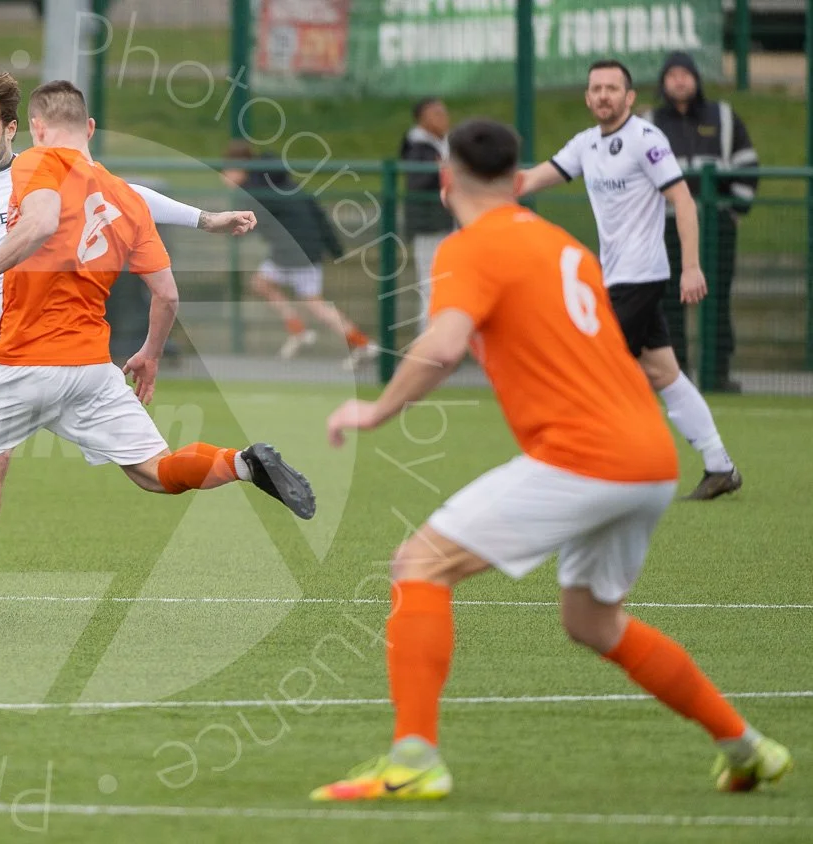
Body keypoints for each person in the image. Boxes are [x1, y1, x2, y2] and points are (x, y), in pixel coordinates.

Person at [313, 117, 791, 801]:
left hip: (586, 455)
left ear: (447, 183)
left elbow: (444, 346)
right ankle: (746, 747)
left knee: (419, 564)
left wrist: (375, 409)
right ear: (517, 182)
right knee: (592, 621)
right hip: (651, 457)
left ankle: (413, 759)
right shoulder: (565, 246)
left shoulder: (469, 247)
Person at [0, 80, 315, 632]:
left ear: (32, 129)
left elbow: (44, 219)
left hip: (20, 360)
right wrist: (148, 352)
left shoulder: (36, 166)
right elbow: (167, 294)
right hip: (91, 370)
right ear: (91, 130)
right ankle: (245, 462)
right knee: (154, 471)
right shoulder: (115, 194)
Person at [519, 59, 741, 501]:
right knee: (664, 373)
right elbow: (531, 178)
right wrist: (480, 185)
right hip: (615, 278)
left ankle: (589, 472)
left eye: (612, 88)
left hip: (641, 277)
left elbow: (683, 199)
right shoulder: (586, 144)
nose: (603, 95)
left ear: (630, 96)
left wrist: (692, 266)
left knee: (591, 369)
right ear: (587, 97)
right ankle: (720, 466)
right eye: (596, 88)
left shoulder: (645, 139)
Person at [644, 51, 760, 393]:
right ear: (664, 82)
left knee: (717, 298)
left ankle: (717, 375)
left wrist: (734, 210)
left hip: (715, 226)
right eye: (672, 74)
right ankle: (677, 377)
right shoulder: (649, 122)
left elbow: (747, 165)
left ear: (696, 79)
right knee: (668, 302)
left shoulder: (723, 117)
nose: (680, 80)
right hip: (666, 227)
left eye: (686, 74)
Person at [221, 141, 376, 367]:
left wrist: (227, 222)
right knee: (262, 283)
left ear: (239, 168)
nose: (224, 176)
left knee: (314, 304)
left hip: (295, 251)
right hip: (298, 249)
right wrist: (335, 248)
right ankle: (299, 330)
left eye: (226, 170)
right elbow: (317, 212)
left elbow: (248, 222)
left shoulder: (255, 189)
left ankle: (361, 344)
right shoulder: (278, 182)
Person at [399, 96, 454, 331]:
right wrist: (441, 169)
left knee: (448, 286)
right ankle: (427, 346)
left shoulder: (444, 145)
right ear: (422, 119)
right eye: (436, 114)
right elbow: (417, 182)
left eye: (444, 112)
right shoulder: (418, 148)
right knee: (431, 287)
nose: (443, 118)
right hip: (429, 227)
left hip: (448, 226)